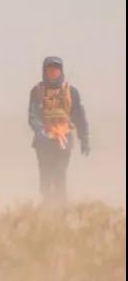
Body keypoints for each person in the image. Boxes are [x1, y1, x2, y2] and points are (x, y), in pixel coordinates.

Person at [29, 56, 90, 205]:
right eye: (50, 69)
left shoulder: (71, 91)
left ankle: (61, 207)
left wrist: (84, 137)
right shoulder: (37, 91)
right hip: (43, 142)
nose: (53, 72)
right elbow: (32, 115)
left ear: (61, 71)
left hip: (64, 140)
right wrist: (40, 129)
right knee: (45, 176)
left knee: (60, 173)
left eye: (56, 69)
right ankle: (47, 207)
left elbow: (79, 116)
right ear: (44, 71)